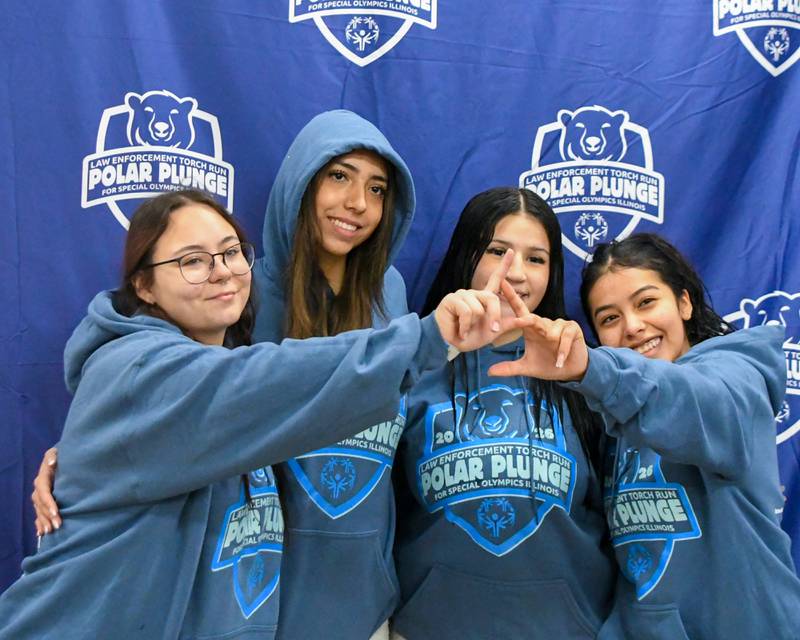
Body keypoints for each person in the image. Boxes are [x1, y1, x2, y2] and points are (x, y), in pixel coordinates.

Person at [2, 188, 527, 640]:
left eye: (231, 252)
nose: (221, 272)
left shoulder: (208, 381)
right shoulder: (136, 370)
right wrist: (427, 338)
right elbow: (262, 382)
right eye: (191, 260)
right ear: (143, 285)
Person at [33, 110, 415, 640]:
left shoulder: (391, 295)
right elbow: (182, 397)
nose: (357, 203)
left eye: (377, 188)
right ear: (301, 182)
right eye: (339, 176)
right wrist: (72, 459)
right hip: (255, 594)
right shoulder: (237, 291)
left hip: (363, 596)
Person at [489, 233, 800, 639]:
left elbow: (693, 403)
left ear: (684, 303)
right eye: (609, 318)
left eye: (646, 302)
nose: (633, 327)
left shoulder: (738, 376)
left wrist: (591, 369)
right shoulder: (613, 413)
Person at [391, 187, 615, 640]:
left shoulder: (585, 375)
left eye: (537, 258)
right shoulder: (413, 367)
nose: (516, 273)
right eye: (497, 251)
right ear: (465, 256)